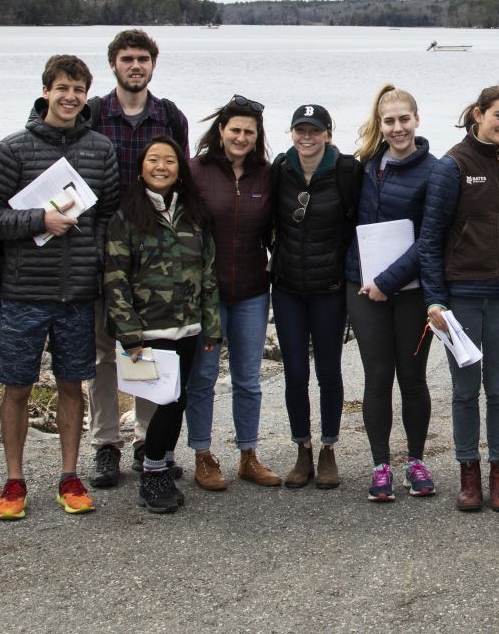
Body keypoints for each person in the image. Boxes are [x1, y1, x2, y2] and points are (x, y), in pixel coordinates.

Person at [0, 54, 122, 521]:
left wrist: (99, 266)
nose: (70, 97)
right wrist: (39, 219)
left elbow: (109, 217)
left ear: (86, 96)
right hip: (23, 294)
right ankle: (14, 480)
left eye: (78, 90)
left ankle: (69, 476)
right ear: (45, 92)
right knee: (16, 387)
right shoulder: (14, 148)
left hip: (78, 294)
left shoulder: (101, 149)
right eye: (62, 88)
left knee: (72, 385)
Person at [87, 28, 193, 487]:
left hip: (156, 258)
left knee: (153, 350)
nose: (135, 66)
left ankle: (148, 441)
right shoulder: (93, 114)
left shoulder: (169, 117)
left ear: (154, 64)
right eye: (127, 58)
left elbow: (181, 180)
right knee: (103, 353)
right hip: (102, 248)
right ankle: (106, 443)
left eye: (143, 59)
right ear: (113, 64)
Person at [419, 85, 499, 513]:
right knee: (465, 391)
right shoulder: (453, 165)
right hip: (462, 296)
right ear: (479, 114)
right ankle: (469, 473)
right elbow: (430, 239)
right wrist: (435, 300)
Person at [103, 137, 221, 514]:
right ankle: (153, 473)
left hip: (186, 327)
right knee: (166, 401)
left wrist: (211, 325)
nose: (161, 166)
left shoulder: (193, 212)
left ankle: (160, 459)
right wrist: (128, 329)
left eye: (169, 160)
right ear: (141, 167)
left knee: (176, 398)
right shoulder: (127, 216)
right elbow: (115, 276)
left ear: (179, 168)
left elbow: (207, 272)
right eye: (153, 159)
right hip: (146, 329)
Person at [344, 85, 440, 502]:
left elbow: (431, 240)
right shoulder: (364, 166)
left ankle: (415, 460)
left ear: (417, 120)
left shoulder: (437, 170)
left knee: (413, 378)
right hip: (361, 287)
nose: (398, 128)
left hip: (411, 290)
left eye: (404, 119)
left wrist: (389, 281)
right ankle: (380, 464)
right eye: (389, 121)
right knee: (377, 377)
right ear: (379, 125)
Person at [184, 96, 284, 489]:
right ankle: (203, 454)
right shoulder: (196, 171)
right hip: (206, 294)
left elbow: (277, 229)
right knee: (203, 377)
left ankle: (248, 454)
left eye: (249, 132)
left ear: (258, 137)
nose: (241, 137)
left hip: (253, 291)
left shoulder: (266, 175)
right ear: (221, 131)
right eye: (235, 130)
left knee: (248, 378)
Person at [269, 104, 361, 489]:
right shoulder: (280, 169)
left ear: (328, 134)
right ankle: (302, 448)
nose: (307, 137)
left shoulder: (346, 171)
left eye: (315, 130)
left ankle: (328, 449)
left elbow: (360, 222)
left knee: (328, 371)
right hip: (288, 287)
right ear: (291, 133)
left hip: (329, 290)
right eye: (300, 130)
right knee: (294, 373)